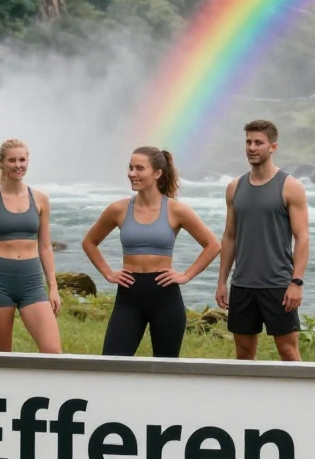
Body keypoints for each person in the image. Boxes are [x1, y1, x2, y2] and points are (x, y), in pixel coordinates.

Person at [83, 146, 219, 358]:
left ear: (157, 173)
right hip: (129, 296)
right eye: (130, 168)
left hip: (165, 296)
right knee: (112, 362)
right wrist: (108, 273)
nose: (131, 174)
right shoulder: (118, 209)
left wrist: (186, 275)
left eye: (139, 168)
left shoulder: (176, 210)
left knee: (165, 369)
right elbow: (90, 242)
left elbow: (212, 245)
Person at [215, 120, 308, 361]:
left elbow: (302, 238)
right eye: (248, 142)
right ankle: (247, 400)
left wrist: (296, 282)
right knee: (244, 355)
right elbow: (230, 236)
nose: (252, 147)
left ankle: (300, 399)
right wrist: (222, 281)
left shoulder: (290, 187)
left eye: (258, 142)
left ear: (273, 147)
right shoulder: (235, 187)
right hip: (243, 284)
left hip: (278, 284)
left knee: (288, 352)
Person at [0, 139, 62, 353]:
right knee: (2, 357)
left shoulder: (40, 199)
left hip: (31, 282)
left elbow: (45, 247)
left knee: (53, 352)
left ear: (27, 161)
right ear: (1, 163)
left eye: (22, 159)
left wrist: (53, 287)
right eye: (11, 160)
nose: (17, 165)